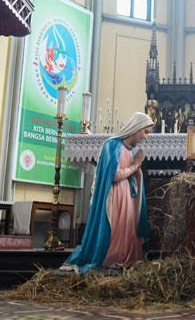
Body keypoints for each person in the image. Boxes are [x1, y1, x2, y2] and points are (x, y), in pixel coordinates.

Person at [61, 112, 154, 273]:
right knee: (116, 231)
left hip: (127, 196)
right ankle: (111, 258)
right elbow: (114, 175)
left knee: (128, 231)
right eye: (145, 132)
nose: (146, 137)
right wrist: (135, 166)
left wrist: (136, 173)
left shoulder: (131, 150)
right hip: (114, 196)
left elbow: (131, 174)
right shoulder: (112, 146)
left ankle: (125, 259)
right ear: (136, 127)